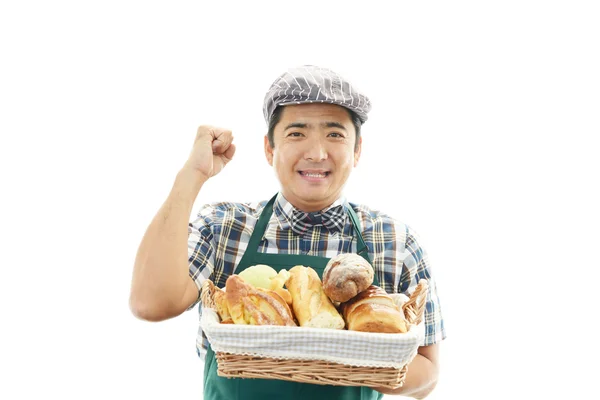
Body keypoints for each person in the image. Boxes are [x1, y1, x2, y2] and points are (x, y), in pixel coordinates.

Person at [130, 65, 446, 399]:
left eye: (335, 134)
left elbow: (428, 373)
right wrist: (191, 175)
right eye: (296, 133)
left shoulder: (393, 240)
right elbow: (149, 303)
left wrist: (357, 359)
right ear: (269, 148)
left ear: (357, 151)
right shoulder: (225, 226)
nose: (316, 153)